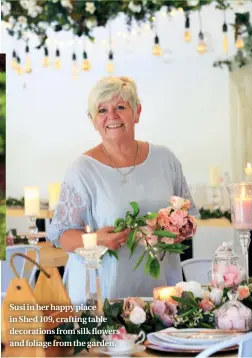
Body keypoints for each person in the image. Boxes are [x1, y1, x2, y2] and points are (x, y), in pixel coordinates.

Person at [47, 76, 199, 304]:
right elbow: (61, 236)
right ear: (93, 120)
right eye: (102, 110)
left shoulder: (165, 159)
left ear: (137, 112)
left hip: (161, 294)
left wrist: (171, 231)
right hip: (103, 297)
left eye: (120, 107)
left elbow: (190, 220)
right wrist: (97, 239)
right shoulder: (82, 169)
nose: (112, 116)